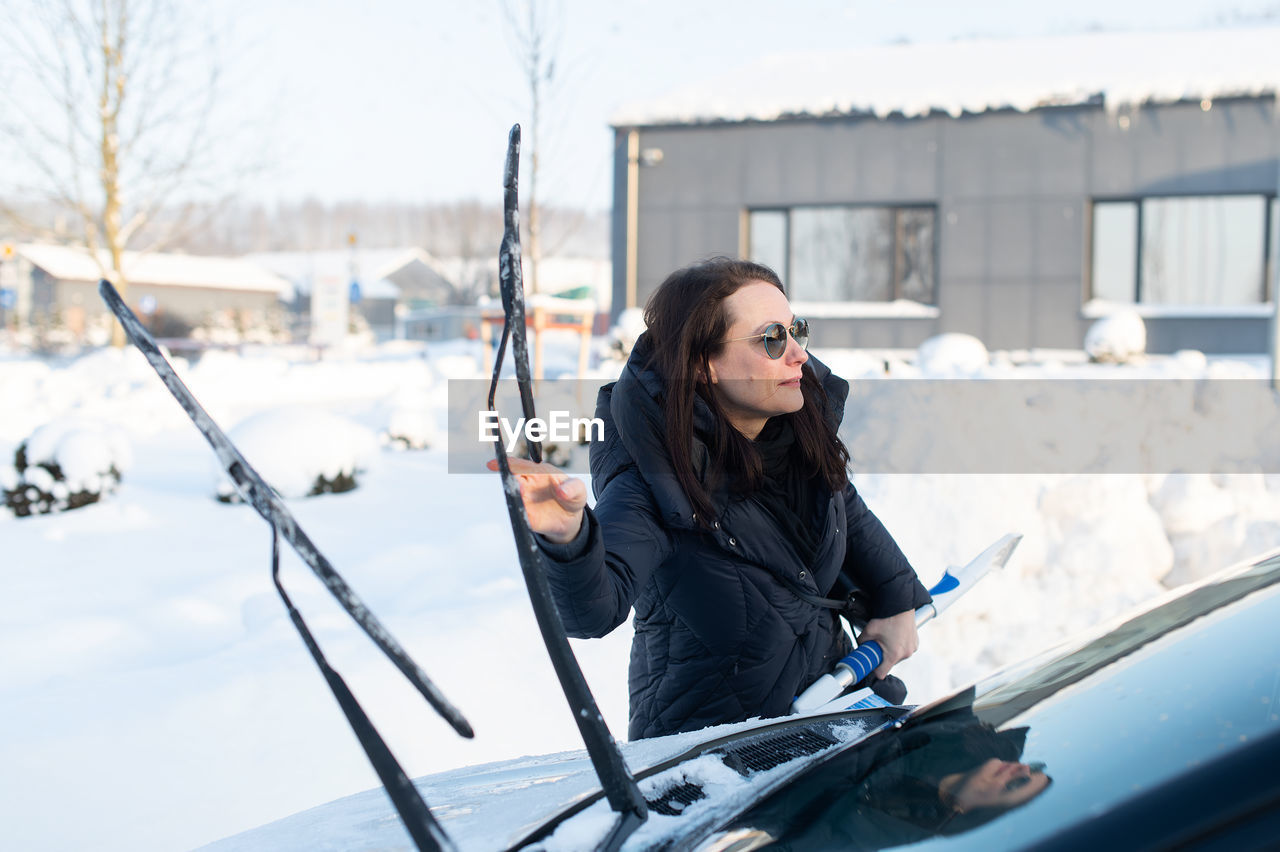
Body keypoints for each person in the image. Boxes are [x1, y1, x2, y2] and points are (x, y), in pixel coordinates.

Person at [495, 257, 931, 740]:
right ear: (704, 365)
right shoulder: (652, 476)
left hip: (824, 727)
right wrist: (567, 538)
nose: (799, 355)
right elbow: (591, 611)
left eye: (797, 331)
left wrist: (897, 601)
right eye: (771, 339)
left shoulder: (795, 433)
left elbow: (845, 510)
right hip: (711, 769)